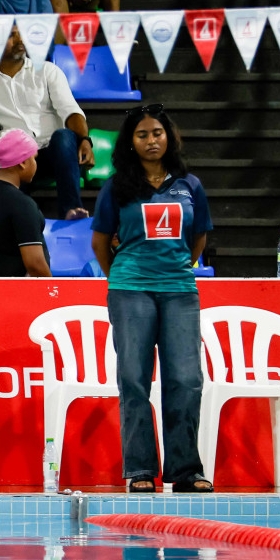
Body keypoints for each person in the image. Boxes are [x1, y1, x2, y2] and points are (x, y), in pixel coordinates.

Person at [91, 105, 211, 493]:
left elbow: (199, 240)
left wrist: (175, 267)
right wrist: (125, 276)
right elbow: (99, 241)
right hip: (130, 290)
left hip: (180, 291)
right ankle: (141, 470)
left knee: (186, 380)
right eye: (142, 134)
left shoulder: (189, 185)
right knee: (135, 380)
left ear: (169, 136)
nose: (151, 140)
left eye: (157, 132)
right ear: (131, 142)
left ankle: (186, 470)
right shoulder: (116, 187)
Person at [0, 26, 92, 218]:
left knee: (63, 136)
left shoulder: (47, 71)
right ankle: (20, 220)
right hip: (14, 161)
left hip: (53, 155)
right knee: (13, 157)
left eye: (23, 34)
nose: (20, 40)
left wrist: (85, 140)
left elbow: (71, 111)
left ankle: (71, 211)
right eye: (11, 35)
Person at [0, 126, 51, 276]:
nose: (35, 164)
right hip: (18, 293)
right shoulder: (21, 204)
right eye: (34, 159)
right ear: (23, 162)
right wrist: (52, 295)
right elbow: (35, 264)